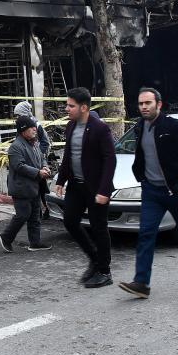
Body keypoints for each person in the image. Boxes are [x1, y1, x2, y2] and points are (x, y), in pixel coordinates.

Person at [118, 88, 178, 299]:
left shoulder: (173, 127)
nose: (144, 107)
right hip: (152, 190)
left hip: (175, 191)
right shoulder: (140, 127)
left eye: (148, 103)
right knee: (146, 234)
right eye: (141, 103)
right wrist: (141, 177)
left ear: (158, 105)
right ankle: (141, 283)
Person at [54, 87, 116, 288]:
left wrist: (104, 191)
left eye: (70, 106)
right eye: (67, 105)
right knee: (70, 221)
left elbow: (110, 160)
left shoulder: (100, 128)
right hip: (76, 186)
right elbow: (68, 156)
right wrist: (60, 180)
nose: (66, 109)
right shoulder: (71, 127)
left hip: (96, 188)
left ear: (83, 107)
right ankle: (94, 259)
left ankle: (105, 271)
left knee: (99, 228)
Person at [0, 115, 53, 253]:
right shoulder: (16, 147)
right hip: (21, 188)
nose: (35, 129)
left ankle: (35, 243)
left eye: (34, 127)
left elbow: (42, 158)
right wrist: (38, 172)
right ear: (23, 130)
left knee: (35, 215)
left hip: (34, 187)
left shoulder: (34, 143)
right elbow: (19, 166)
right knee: (23, 214)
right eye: (31, 127)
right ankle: (6, 237)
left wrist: (45, 167)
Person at [13, 101, 51, 219]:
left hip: (37, 160)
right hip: (29, 159)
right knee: (36, 184)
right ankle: (38, 211)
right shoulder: (22, 126)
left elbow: (45, 142)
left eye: (18, 115)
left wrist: (38, 154)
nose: (17, 117)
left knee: (40, 185)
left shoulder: (36, 125)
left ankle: (45, 209)